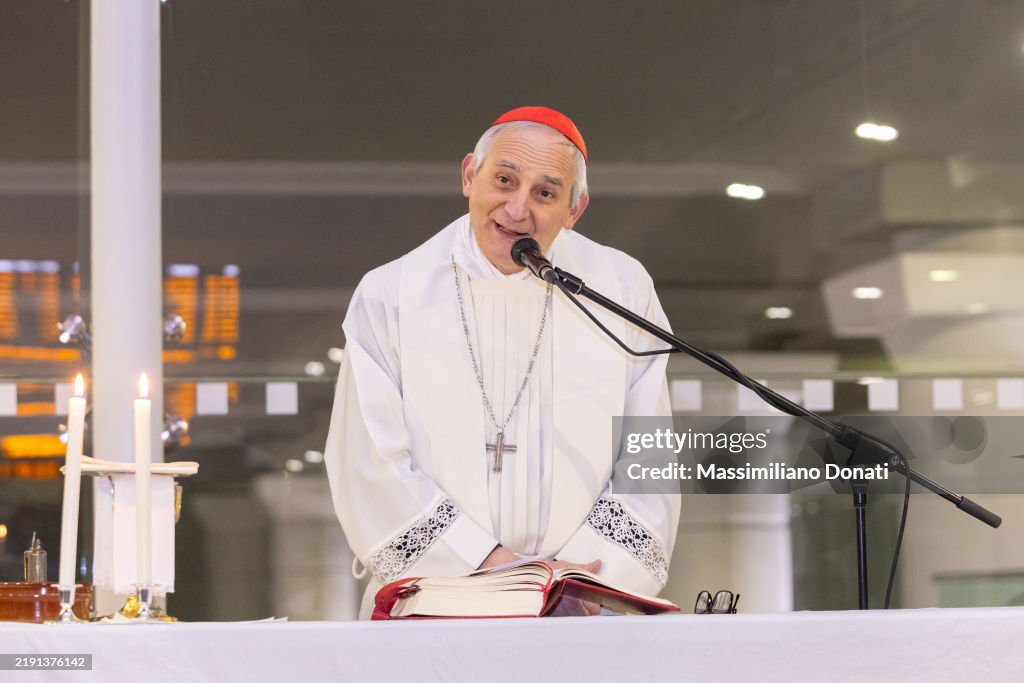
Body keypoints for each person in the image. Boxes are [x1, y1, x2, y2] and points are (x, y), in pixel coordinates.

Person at [325, 106, 680, 619]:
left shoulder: (620, 289)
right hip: (437, 606)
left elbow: (648, 456)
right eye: (504, 180)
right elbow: (369, 461)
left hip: (579, 616)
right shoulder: (391, 294)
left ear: (574, 208)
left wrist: (572, 583)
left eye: (545, 193)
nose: (517, 209)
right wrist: (488, 568)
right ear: (470, 175)